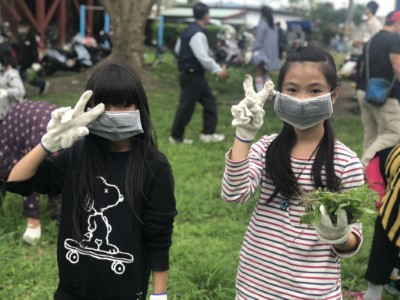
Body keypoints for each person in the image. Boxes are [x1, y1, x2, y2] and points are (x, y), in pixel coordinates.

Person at [5, 64, 177, 299]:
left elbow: (159, 236)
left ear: (139, 107)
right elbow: (16, 182)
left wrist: (159, 294)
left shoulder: (155, 168)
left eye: (124, 104)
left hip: (125, 292)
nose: (114, 113)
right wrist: (49, 143)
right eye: (104, 106)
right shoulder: (78, 155)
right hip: (71, 291)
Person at [221, 46, 365, 299]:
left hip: (314, 292)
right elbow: (233, 194)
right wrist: (243, 135)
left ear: (334, 95)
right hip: (255, 286)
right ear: (279, 93)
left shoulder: (346, 162)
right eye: (292, 90)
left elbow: (353, 242)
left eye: (315, 90)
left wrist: (339, 235)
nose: (301, 100)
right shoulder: (266, 148)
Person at [0, 100, 61, 246]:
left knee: (57, 174)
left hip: (44, 124)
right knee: (11, 172)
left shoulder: (75, 143)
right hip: (17, 125)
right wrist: (33, 219)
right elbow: (27, 179)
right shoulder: (39, 140)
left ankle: (57, 215)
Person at [345, 145, 400, 300]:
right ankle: (395, 281)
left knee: (387, 226)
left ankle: (372, 295)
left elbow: (379, 199)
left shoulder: (373, 164)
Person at [170, 2, 228, 144]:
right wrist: (218, 70)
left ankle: (207, 134)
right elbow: (202, 57)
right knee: (186, 107)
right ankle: (176, 137)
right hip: (192, 75)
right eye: (209, 13)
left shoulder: (187, 31)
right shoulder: (197, 34)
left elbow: (178, 50)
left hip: (192, 75)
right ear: (206, 15)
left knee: (210, 102)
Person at [357, 11, 400, 167]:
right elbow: (397, 65)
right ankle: (364, 166)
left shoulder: (372, 39)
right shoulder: (395, 39)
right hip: (383, 94)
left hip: (363, 90)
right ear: (397, 24)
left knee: (371, 133)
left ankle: (364, 174)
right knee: (393, 132)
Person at [350, 0, 382, 115]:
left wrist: (360, 42)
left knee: (363, 80)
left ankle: (361, 107)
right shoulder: (367, 22)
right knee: (359, 79)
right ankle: (359, 104)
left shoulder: (375, 24)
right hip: (361, 54)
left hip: (368, 57)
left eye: (366, 7)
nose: (364, 9)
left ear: (370, 9)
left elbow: (375, 41)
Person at [252, 5, 281, 91]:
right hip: (271, 53)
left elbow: (258, 40)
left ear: (262, 14)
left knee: (258, 72)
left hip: (262, 53)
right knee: (264, 72)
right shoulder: (273, 26)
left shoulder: (262, 24)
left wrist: (253, 49)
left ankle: (260, 94)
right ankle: (272, 92)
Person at [14, 21, 49, 95]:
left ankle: (42, 84)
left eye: (22, 27)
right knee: (21, 77)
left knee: (28, 78)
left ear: (27, 27)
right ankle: (21, 92)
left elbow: (35, 51)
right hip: (21, 62)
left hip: (29, 62)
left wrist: (35, 61)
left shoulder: (32, 37)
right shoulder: (22, 37)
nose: (20, 29)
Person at [0, 42, 25, 122]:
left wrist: (6, 92)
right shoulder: (2, 74)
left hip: (10, 116)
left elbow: (20, 91)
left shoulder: (11, 75)